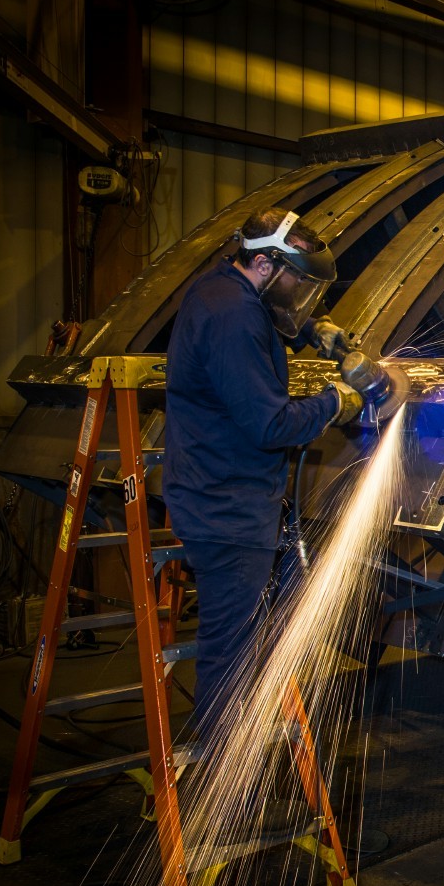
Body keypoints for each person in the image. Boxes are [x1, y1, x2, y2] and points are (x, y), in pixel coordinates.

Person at [163, 207, 363, 738]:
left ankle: (244, 751)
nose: (303, 293)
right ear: (268, 264)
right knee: (231, 654)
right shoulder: (233, 316)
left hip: (231, 495)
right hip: (225, 507)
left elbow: (268, 324)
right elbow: (270, 423)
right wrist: (333, 403)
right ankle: (219, 783)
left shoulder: (222, 291)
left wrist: (313, 330)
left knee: (270, 629)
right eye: (300, 281)